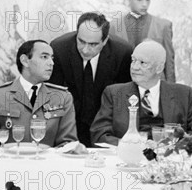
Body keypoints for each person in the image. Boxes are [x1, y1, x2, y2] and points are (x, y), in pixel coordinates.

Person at [0, 39, 77, 147]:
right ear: (25, 61)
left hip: (46, 162)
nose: (51, 63)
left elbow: (68, 144)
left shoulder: (63, 97)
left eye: (52, 58)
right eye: (44, 57)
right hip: (9, 162)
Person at [90, 40, 192, 146]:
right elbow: (99, 135)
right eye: (133, 60)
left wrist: (174, 145)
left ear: (159, 68)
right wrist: (131, 145)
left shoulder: (183, 94)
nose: (134, 67)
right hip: (128, 157)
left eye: (142, 63)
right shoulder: (114, 94)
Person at [49, 12, 133, 147]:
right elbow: (53, 96)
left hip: (105, 129)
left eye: (93, 44)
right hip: (68, 126)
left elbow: (123, 101)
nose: (86, 50)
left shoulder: (122, 53)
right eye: (81, 41)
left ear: (105, 41)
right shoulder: (59, 49)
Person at [109, 0, 175, 82]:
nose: (144, 4)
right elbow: (111, 63)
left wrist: (171, 91)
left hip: (154, 85)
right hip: (124, 85)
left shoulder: (163, 26)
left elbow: (169, 64)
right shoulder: (114, 26)